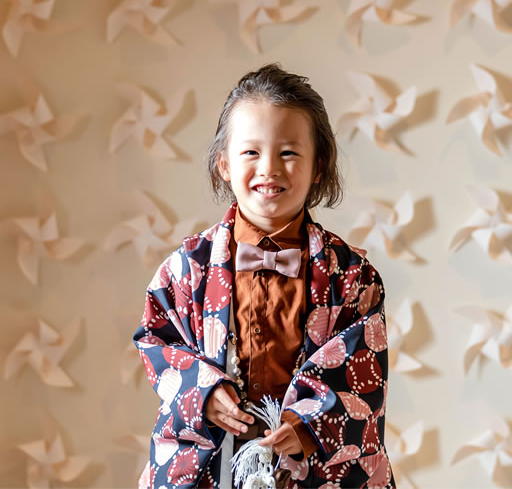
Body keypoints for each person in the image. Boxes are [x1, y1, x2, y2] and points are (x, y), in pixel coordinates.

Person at [133, 63, 394, 488]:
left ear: (319, 166)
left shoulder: (352, 276)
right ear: (223, 164)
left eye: (288, 153)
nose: (269, 168)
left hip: (311, 465)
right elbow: (157, 341)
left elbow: (363, 372)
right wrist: (203, 392)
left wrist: (308, 424)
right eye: (251, 153)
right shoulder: (186, 268)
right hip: (214, 462)